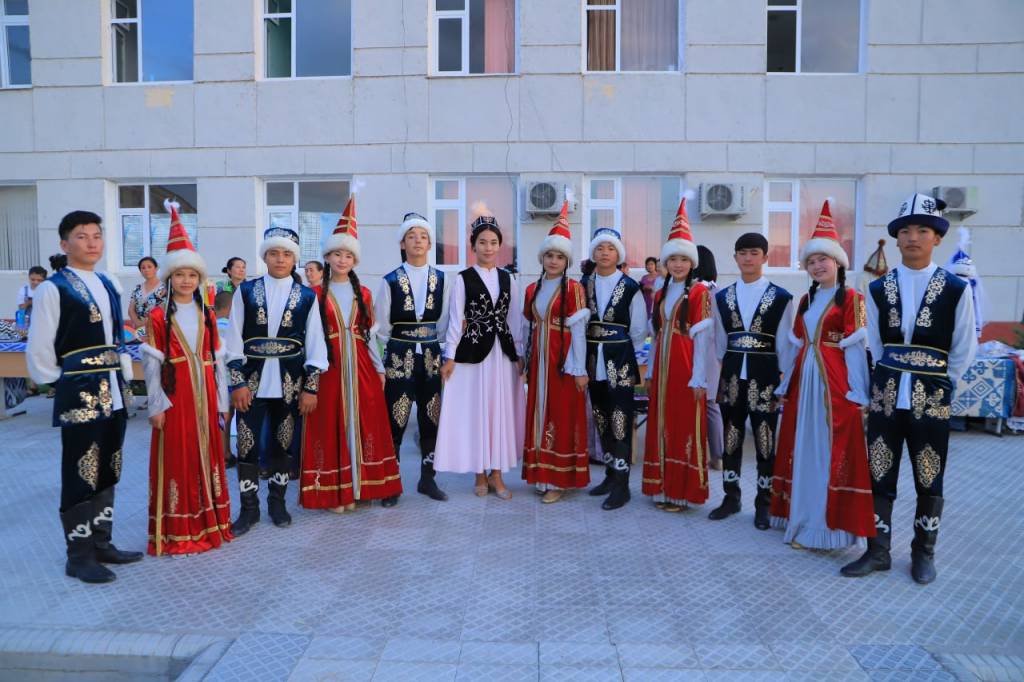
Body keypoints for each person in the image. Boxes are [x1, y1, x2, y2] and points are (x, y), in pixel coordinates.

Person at [841, 194, 977, 584]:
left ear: (937, 238)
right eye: (905, 231)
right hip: (886, 392)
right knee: (879, 471)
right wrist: (874, 386)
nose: (913, 237)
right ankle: (878, 551)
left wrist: (942, 383)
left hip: (931, 394)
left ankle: (923, 552)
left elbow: (964, 345)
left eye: (922, 230)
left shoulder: (955, 288)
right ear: (896, 238)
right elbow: (875, 345)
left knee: (929, 474)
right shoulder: (879, 288)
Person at [27, 210, 143, 583]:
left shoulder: (108, 282)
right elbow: (40, 346)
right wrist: (61, 383)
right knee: (81, 468)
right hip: (80, 390)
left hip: (114, 388)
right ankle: (78, 556)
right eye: (82, 236)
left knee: (109, 465)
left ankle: (102, 543)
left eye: (96, 235)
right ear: (65, 244)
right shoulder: (53, 288)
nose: (92, 242)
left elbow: (116, 337)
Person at [770, 200, 874, 551]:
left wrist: (858, 391)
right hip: (806, 381)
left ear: (838, 262)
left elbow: (856, 348)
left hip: (833, 384)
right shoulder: (805, 301)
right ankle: (801, 519)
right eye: (811, 261)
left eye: (823, 259)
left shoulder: (852, 299)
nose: (817, 266)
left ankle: (826, 528)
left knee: (827, 451)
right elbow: (797, 346)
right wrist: (786, 382)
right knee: (802, 448)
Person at [141, 201, 232, 556]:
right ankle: (179, 530)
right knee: (178, 457)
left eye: (192, 275)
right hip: (175, 397)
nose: (186, 280)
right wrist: (156, 406)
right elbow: (152, 365)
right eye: (179, 274)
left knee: (207, 455)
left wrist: (222, 402)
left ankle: (211, 523)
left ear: (199, 279)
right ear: (169, 278)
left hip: (206, 394)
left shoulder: (207, 313)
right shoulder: (158, 316)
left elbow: (217, 360)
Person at [224, 226, 328, 534]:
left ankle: (277, 503)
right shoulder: (245, 291)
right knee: (247, 445)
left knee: (283, 445)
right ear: (264, 256)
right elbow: (233, 339)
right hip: (251, 383)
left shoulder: (306, 296)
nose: (280, 259)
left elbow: (316, 343)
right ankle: (249, 509)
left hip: (290, 384)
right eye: (273, 253)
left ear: (295, 258)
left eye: (286, 254)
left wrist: (311, 388)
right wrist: (237, 383)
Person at [301, 198, 402, 512]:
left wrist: (379, 368)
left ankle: (362, 486)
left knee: (364, 422)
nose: (342, 260)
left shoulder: (365, 293)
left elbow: (369, 335)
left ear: (355, 260)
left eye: (348, 255)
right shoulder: (314, 294)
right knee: (331, 423)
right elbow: (310, 338)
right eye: (337, 254)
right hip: (329, 365)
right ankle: (335, 491)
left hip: (360, 365)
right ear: (327, 257)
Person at [708, 233, 797, 529]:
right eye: (743, 252)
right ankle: (731, 497)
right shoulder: (722, 297)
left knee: (765, 441)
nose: (748, 258)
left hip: (765, 376)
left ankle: (764, 503)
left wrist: (783, 381)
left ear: (765, 257)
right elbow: (720, 341)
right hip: (733, 375)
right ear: (735, 257)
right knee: (731, 439)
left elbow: (785, 343)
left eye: (754, 252)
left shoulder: (782, 297)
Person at [435, 215, 526, 499]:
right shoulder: (463, 279)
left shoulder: (509, 278)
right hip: (472, 354)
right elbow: (455, 320)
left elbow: (514, 319)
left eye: (493, 242)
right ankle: (479, 472)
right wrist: (449, 357)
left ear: (500, 245)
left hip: (502, 354)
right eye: (483, 242)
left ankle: (497, 473)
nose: (488, 247)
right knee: (477, 411)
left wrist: (519, 353)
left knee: (499, 411)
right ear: (473, 245)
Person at [642, 198, 715, 510]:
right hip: (663, 367)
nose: (678, 264)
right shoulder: (660, 292)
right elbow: (657, 334)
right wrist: (650, 371)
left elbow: (703, 339)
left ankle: (683, 492)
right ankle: (661, 489)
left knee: (684, 425)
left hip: (686, 367)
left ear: (692, 262)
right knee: (661, 424)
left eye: (684, 259)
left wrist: (699, 378)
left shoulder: (699, 293)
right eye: (673, 259)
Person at [375, 212, 451, 506]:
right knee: (396, 418)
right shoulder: (390, 280)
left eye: (423, 236)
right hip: (399, 356)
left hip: (431, 355)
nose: (417, 241)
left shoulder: (442, 279)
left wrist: (442, 352)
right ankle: (391, 483)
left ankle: (427, 478)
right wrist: (389, 355)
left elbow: (444, 321)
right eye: (411, 236)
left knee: (432, 417)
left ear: (430, 243)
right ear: (402, 243)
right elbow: (382, 326)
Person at [521, 203, 591, 503]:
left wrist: (579, 369)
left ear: (567, 261)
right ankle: (541, 474)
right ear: (542, 258)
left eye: (560, 257)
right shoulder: (531, 290)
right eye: (549, 255)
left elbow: (579, 332)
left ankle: (559, 479)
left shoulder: (574, 289)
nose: (553, 261)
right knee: (539, 413)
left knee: (561, 416)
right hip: (539, 361)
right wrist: (524, 362)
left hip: (563, 362)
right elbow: (527, 328)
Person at [583, 227, 647, 511]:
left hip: (619, 358)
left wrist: (631, 359)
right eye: (600, 248)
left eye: (610, 248)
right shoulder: (583, 284)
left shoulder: (630, 287)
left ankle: (622, 485)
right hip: (592, 358)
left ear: (618, 253)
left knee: (621, 419)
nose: (605, 253)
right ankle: (610, 475)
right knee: (601, 417)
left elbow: (639, 328)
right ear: (593, 253)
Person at [693, 245, 723, 471]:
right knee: (712, 406)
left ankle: (694, 452)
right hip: (714, 355)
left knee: (694, 404)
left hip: (694, 352)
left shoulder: (694, 292)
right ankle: (718, 456)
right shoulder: (718, 292)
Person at [213, 291, 236, 468]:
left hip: (212, 380)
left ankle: (225, 452)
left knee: (222, 418)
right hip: (228, 380)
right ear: (230, 307)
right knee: (225, 418)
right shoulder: (231, 328)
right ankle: (223, 454)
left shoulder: (209, 326)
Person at [128, 257, 167, 332]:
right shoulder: (137, 288)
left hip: (158, 329)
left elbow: (163, 309)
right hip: (140, 330)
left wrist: (146, 323)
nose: (146, 270)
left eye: (149, 267)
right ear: (140, 271)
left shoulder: (164, 288)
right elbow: (131, 310)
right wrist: (138, 323)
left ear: (156, 268)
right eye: (143, 268)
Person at [16, 265, 46, 330]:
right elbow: (21, 309)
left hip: (43, 323)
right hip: (27, 324)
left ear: (44, 280)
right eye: (33, 279)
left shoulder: (46, 290)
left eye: (39, 280)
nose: (36, 282)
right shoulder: (23, 290)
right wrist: (30, 302)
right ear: (29, 277)